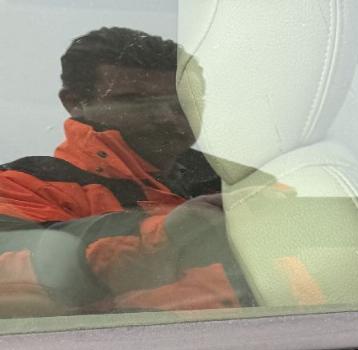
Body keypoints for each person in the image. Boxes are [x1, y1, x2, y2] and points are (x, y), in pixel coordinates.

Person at [0, 26, 248, 319]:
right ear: (75, 102)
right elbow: (17, 269)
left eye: (180, 102)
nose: (166, 117)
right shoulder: (20, 185)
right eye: (135, 100)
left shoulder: (242, 181)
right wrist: (165, 236)